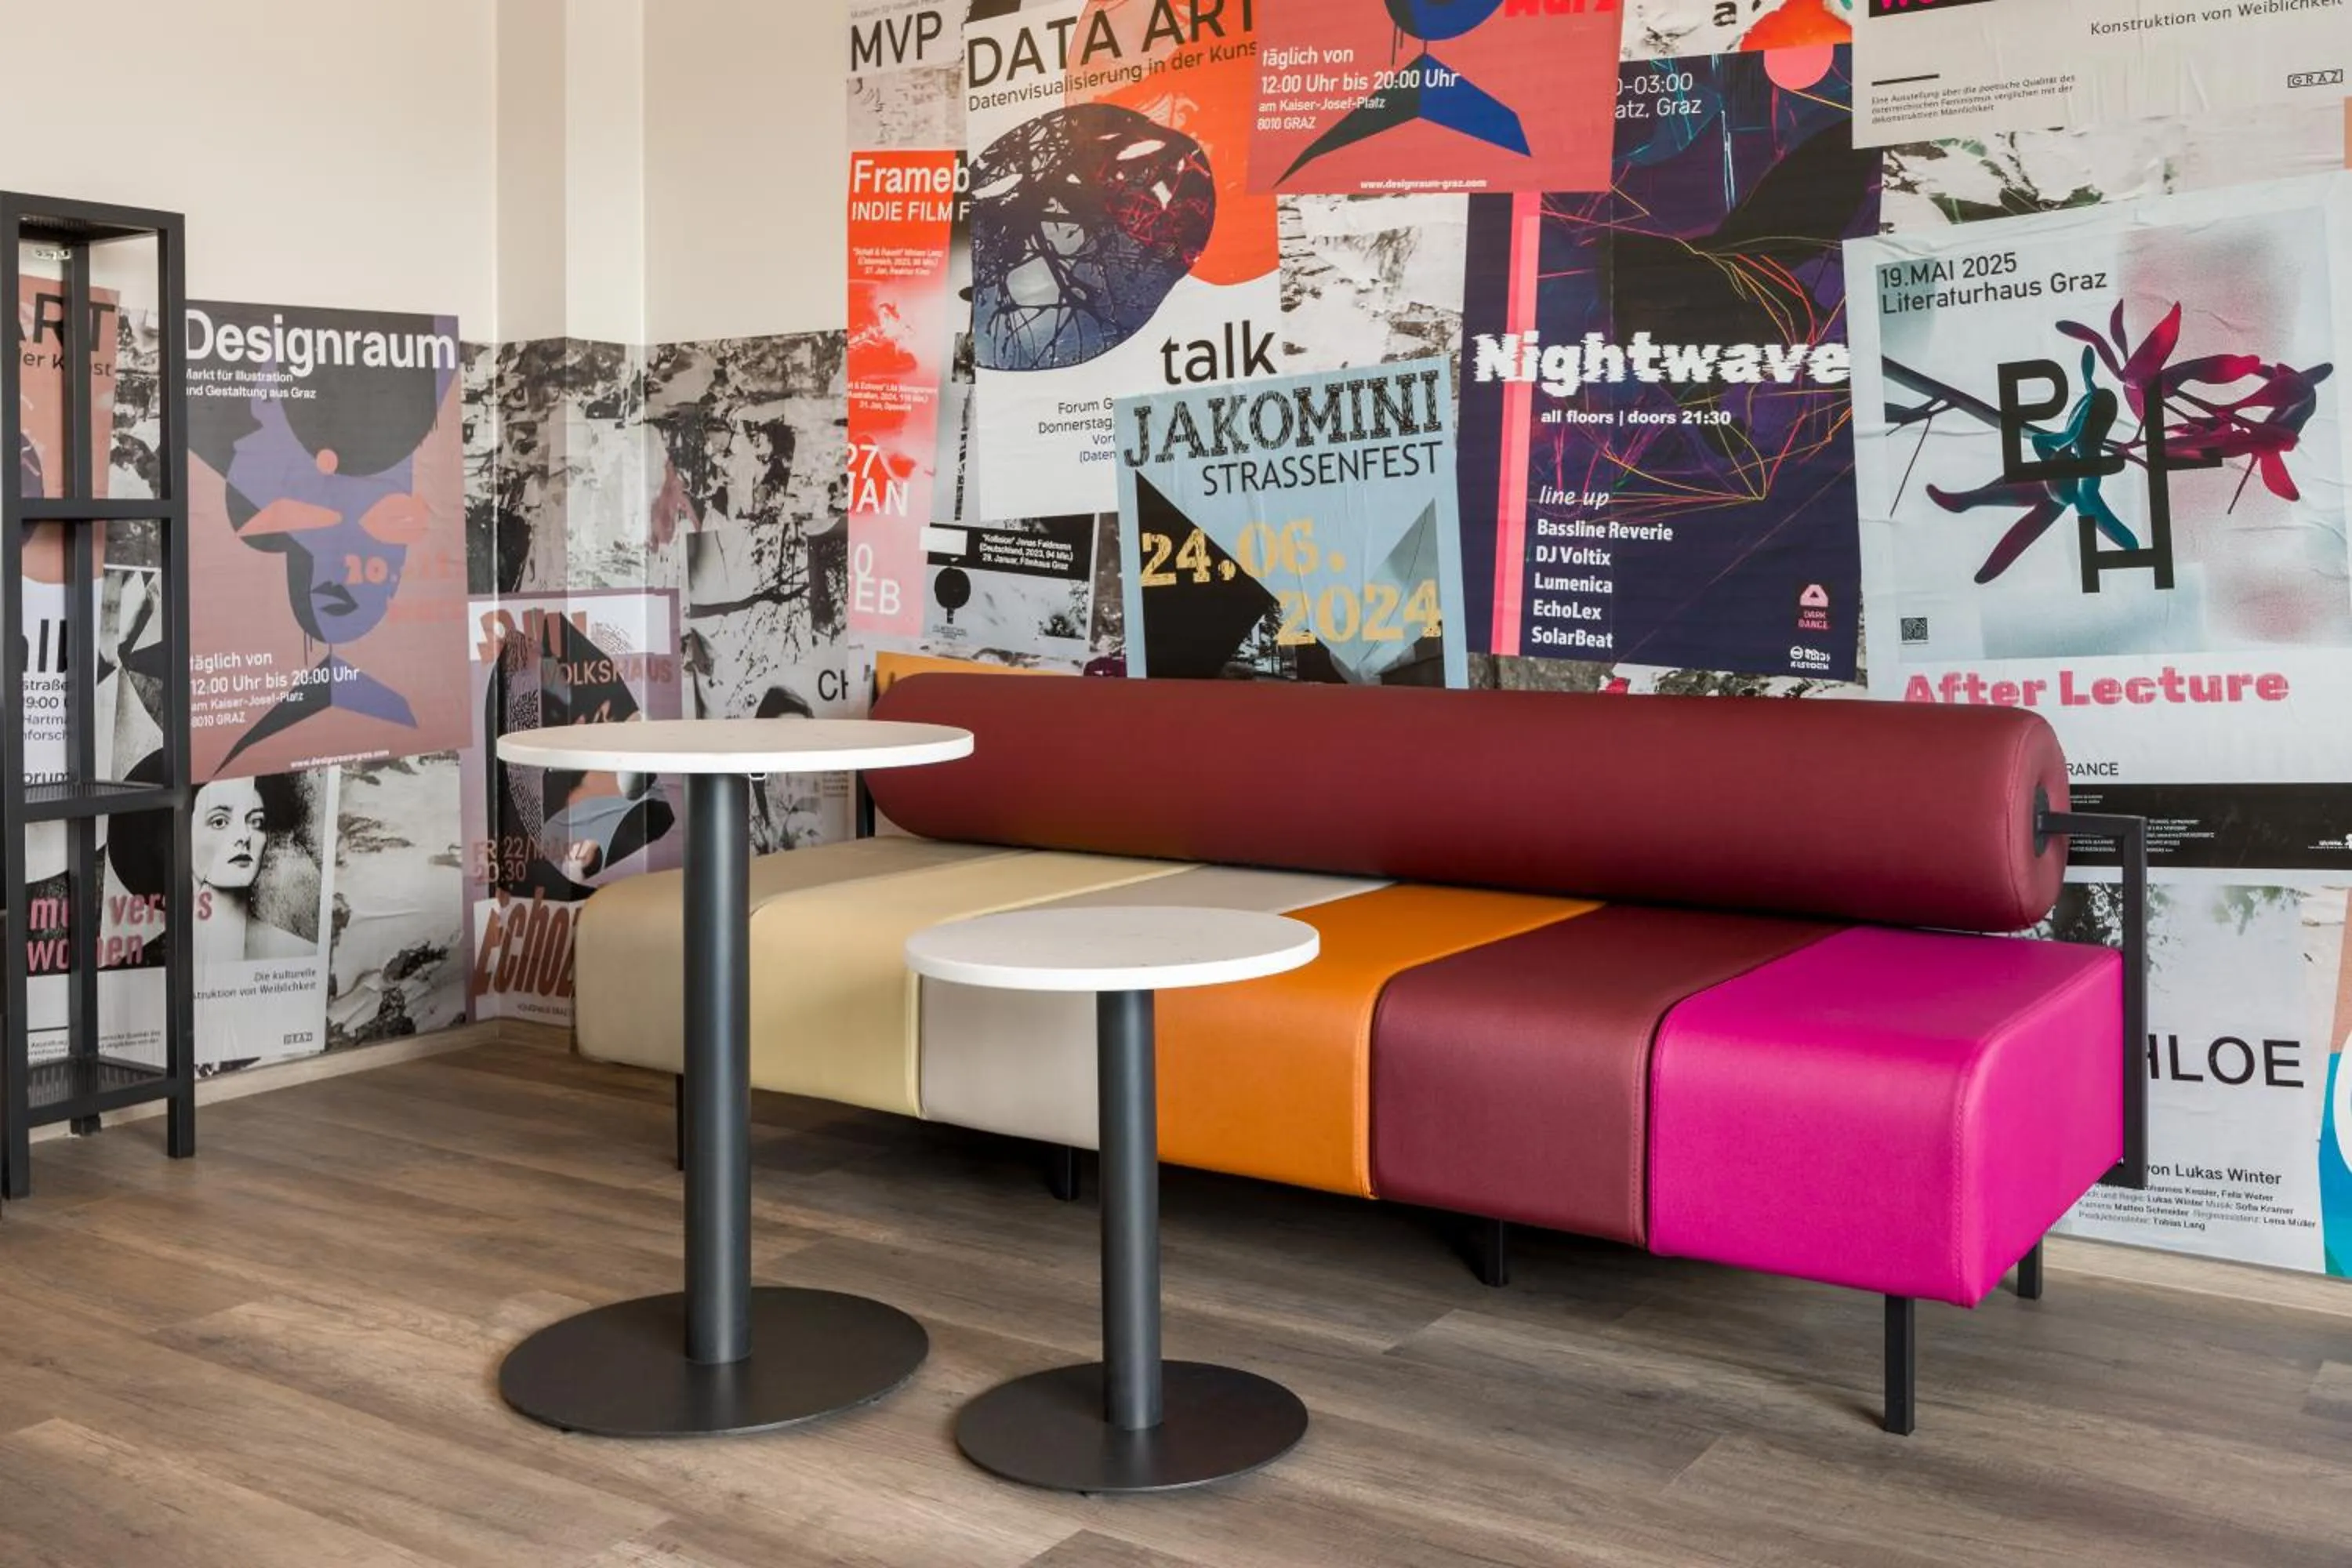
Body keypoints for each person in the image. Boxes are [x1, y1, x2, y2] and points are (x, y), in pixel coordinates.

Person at [191, 775, 313, 963]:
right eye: (219, 822)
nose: (244, 836)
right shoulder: (155, 958)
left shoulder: (301, 954)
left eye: (256, 822)